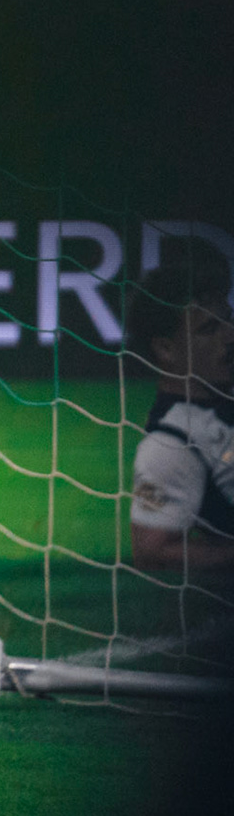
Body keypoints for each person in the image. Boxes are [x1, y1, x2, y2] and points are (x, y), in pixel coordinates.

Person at [129, 244, 234, 574]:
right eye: (209, 329)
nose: (230, 336)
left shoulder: (221, 399)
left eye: (228, 321)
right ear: (165, 348)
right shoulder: (170, 444)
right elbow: (151, 551)